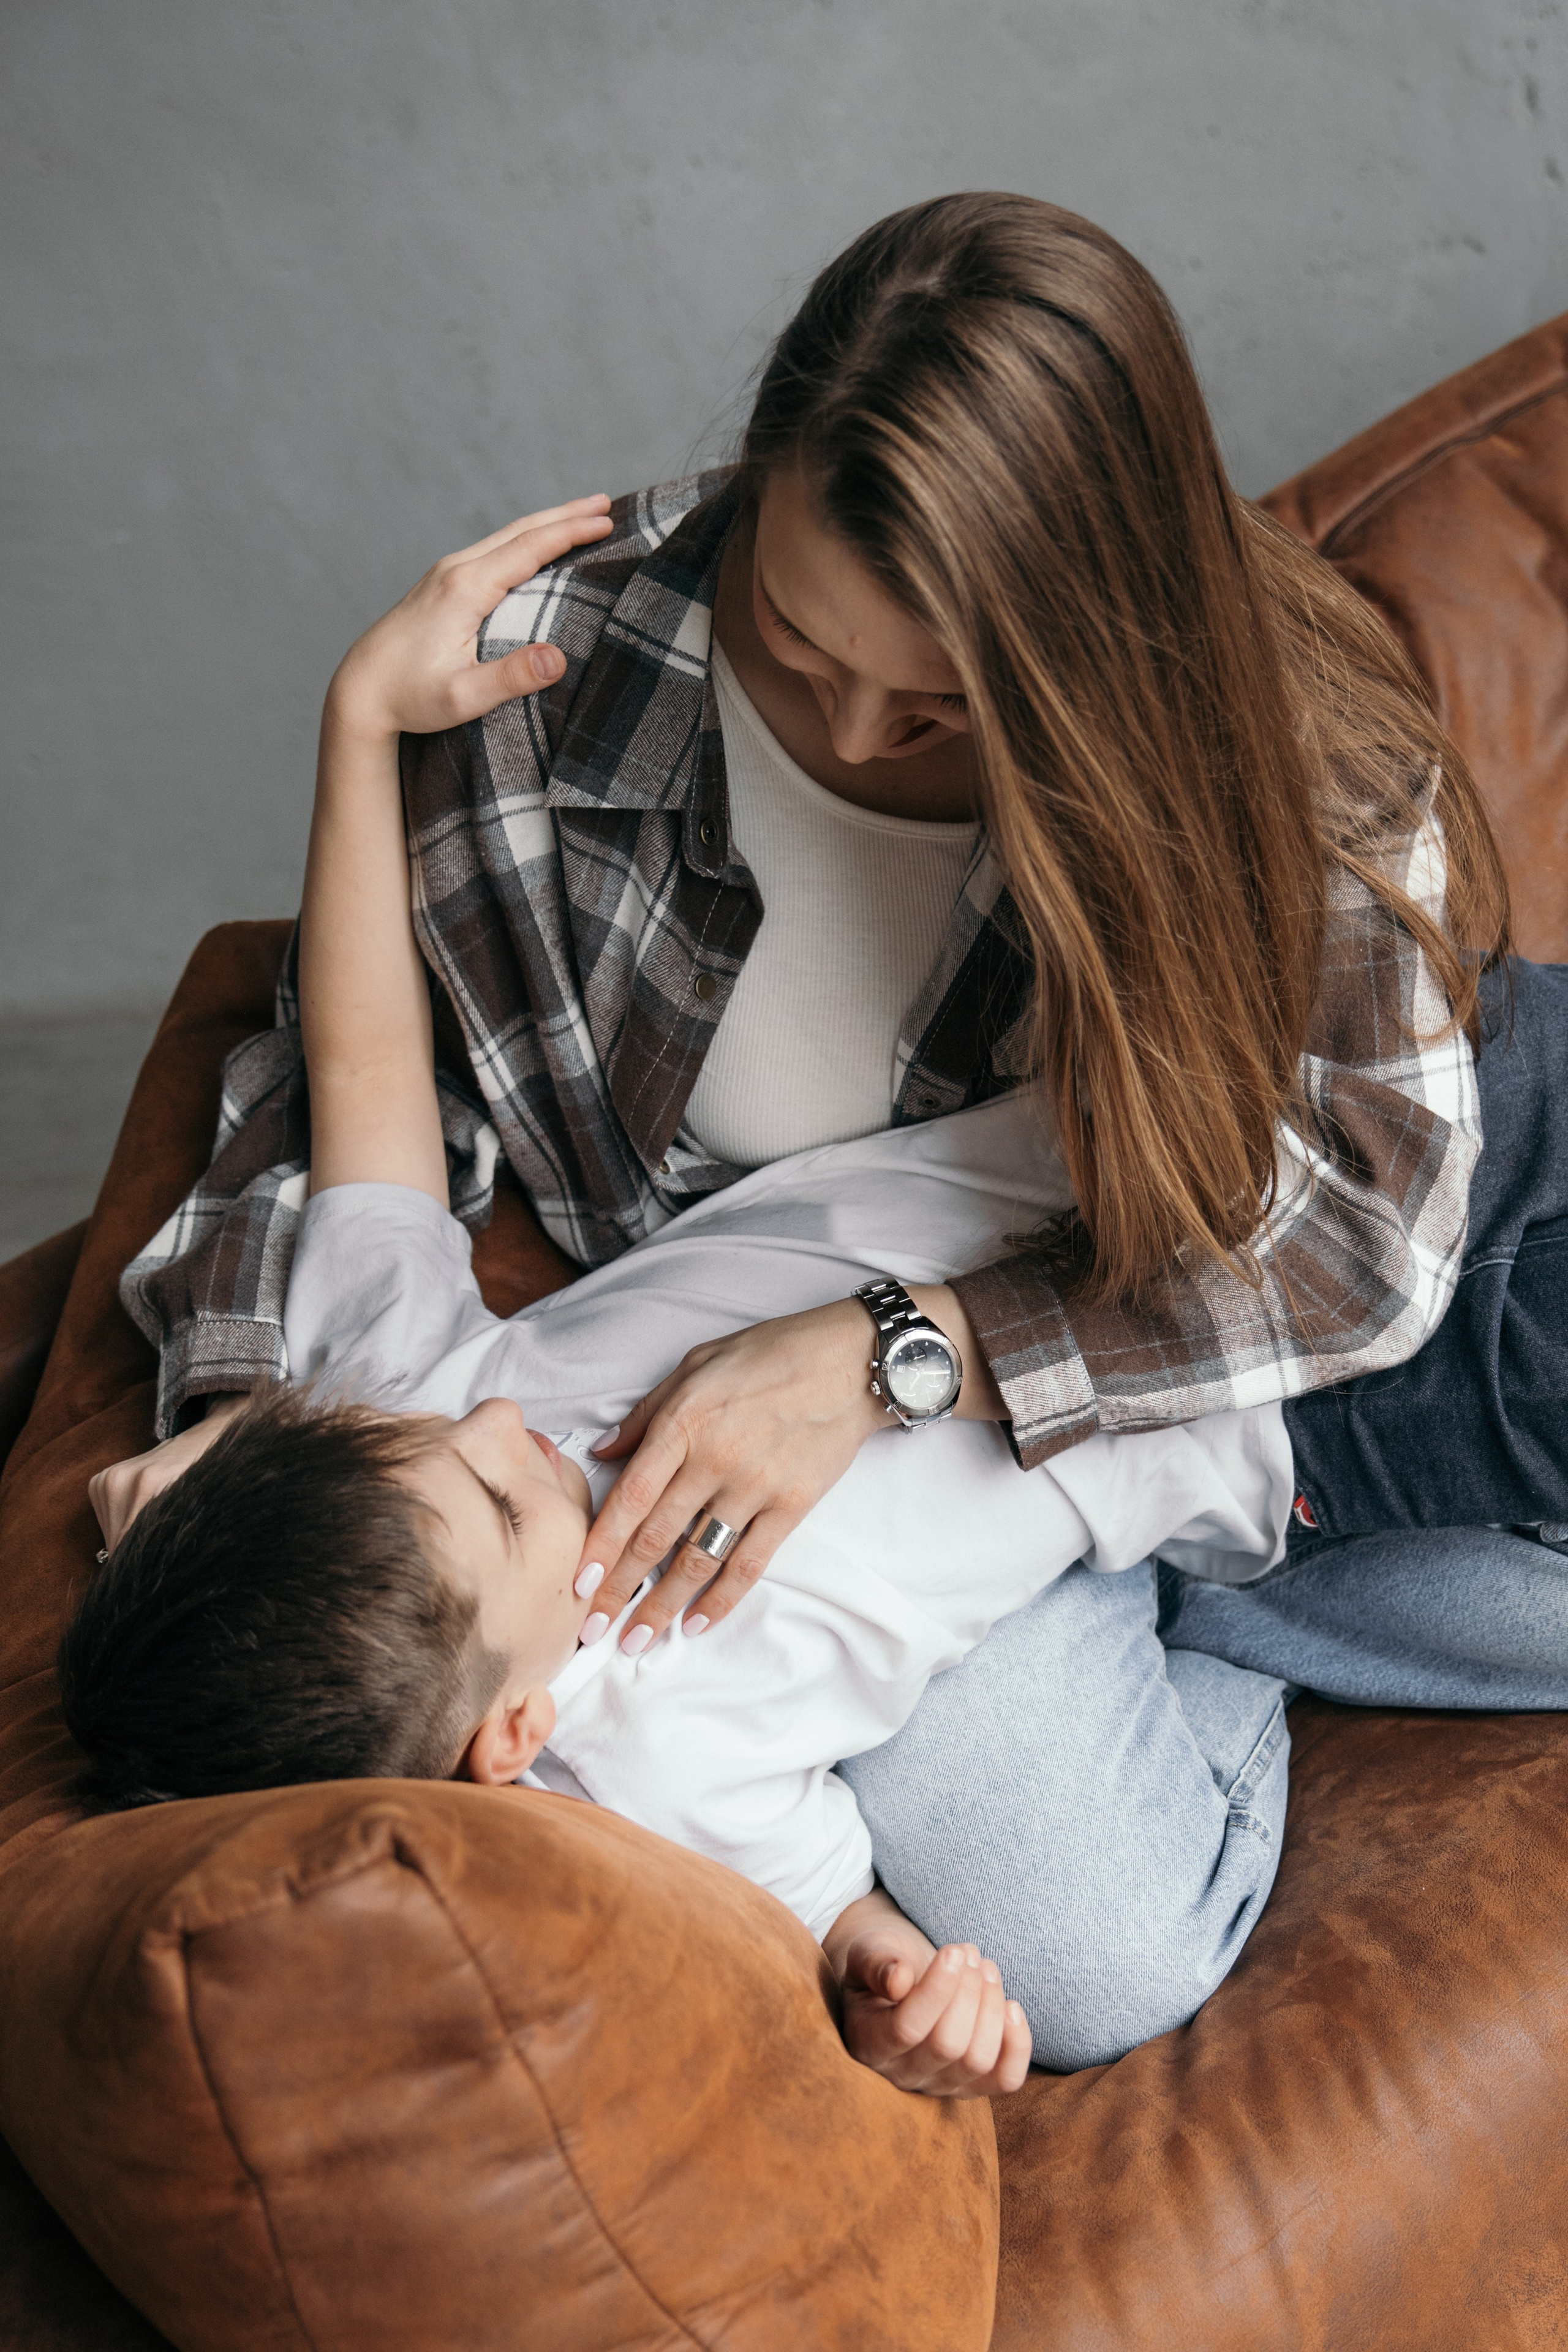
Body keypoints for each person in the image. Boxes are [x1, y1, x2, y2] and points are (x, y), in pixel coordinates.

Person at [107, 194, 1561, 2066]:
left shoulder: (1282, 751)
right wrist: (237, 1454)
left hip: (1255, 1284)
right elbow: (325, 1075)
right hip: (1194, 1479)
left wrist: (900, 1355)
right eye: (793, 652)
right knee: (1097, 1961)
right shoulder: (569, 671)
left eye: (949, 703)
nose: (863, 735)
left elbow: (1364, 1234)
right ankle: (1227, 1623)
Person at [66, 503, 1311, 2098]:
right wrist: (897, 1996)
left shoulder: (403, 1406)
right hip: (1220, 1459)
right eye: (506, 1505)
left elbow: (365, 1064)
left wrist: (357, 725)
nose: (506, 1426)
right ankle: (1260, 1659)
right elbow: (831, 1913)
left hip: (1123, 1195)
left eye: (448, 1442)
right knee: (1129, 1952)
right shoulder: (654, 1777)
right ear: (507, 1742)